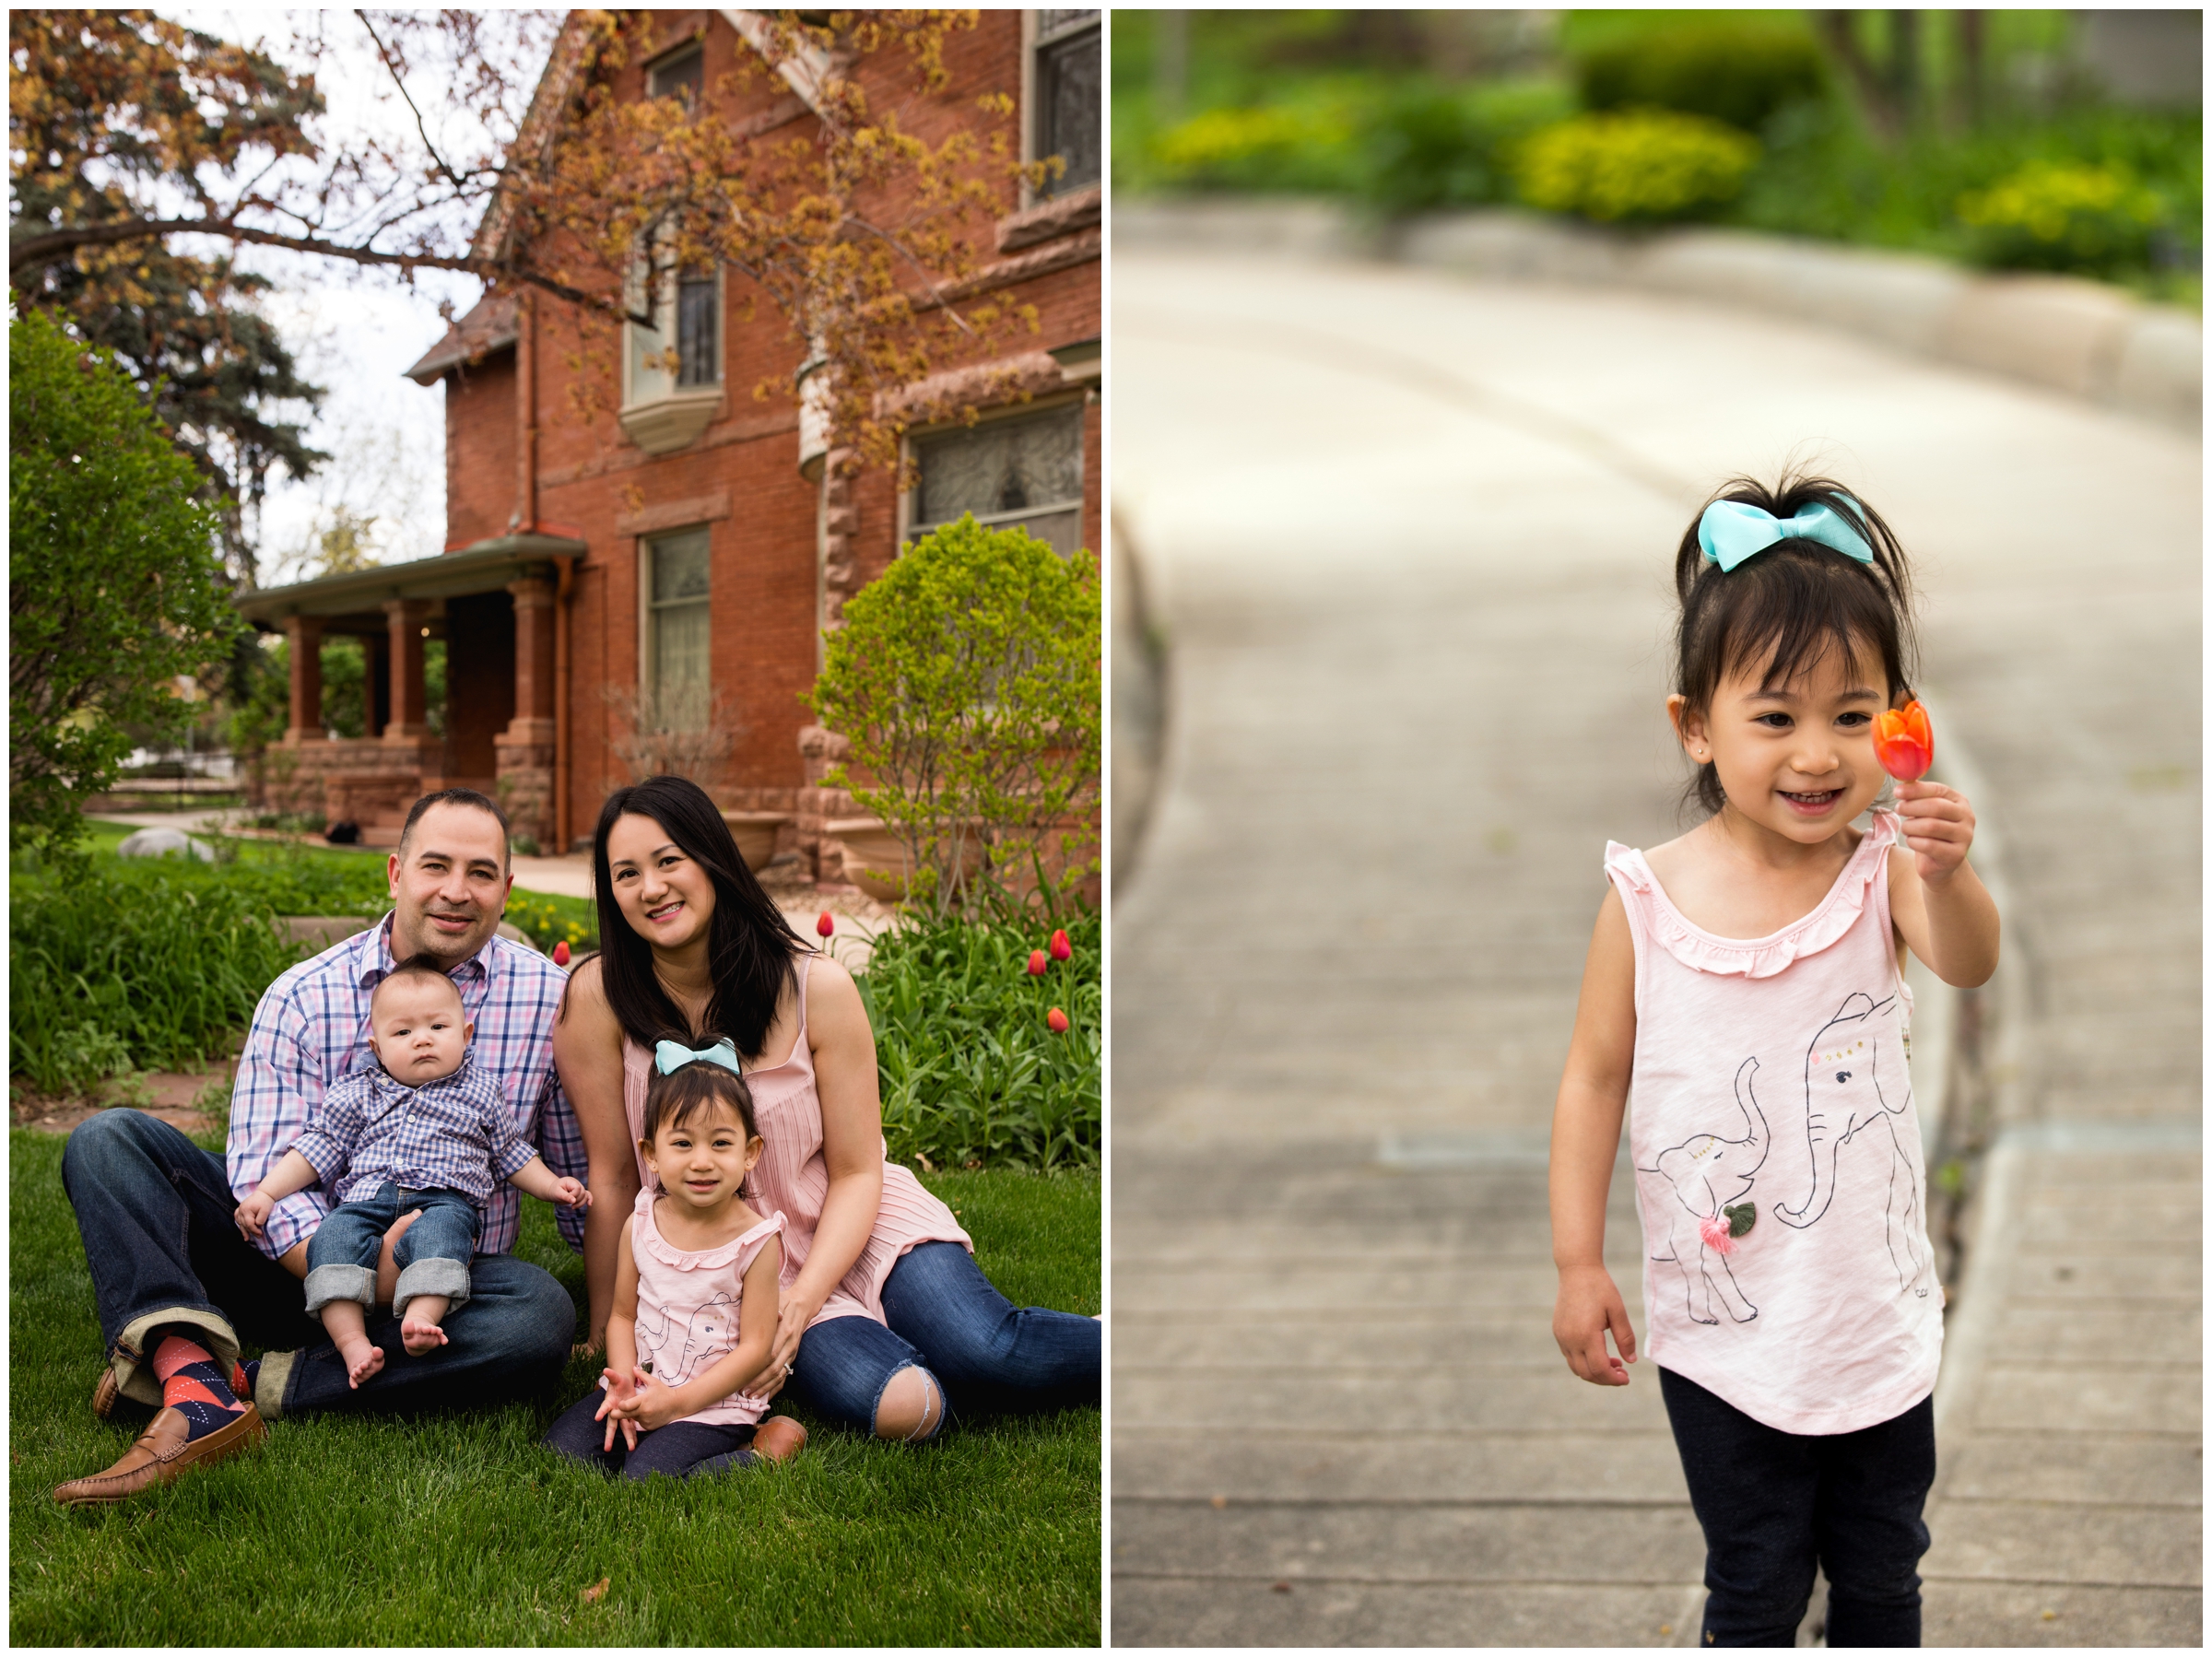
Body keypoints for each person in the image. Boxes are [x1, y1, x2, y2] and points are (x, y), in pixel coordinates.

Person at [1547, 475, 1999, 1647]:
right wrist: (1576, 1261)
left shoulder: (1883, 869)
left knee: (1882, 1574)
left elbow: (1968, 962)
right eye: (1776, 716)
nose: (1817, 754)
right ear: (1695, 724)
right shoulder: (1646, 900)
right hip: (1724, 1334)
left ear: (1899, 722)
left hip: (1873, 1316)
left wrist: (1950, 877)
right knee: (1753, 1579)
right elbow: (1595, 1078)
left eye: (1854, 716)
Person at [51, 789, 585, 1507]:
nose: (457, 892)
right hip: (287, 1261)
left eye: (482, 872)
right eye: (436, 866)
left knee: (537, 1314)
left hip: (436, 1283)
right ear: (396, 873)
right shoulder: (303, 994)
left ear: (508, 888)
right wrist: (358, 1266)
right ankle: (190, 1365)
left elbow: (576, 1173)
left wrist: (628, 1305)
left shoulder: (550, 1001)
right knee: (109, 1141)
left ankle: (237, 1379)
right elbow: (262, 1175)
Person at [555, 774, 1100, 1443]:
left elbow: (857, 1171)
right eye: (626, 873)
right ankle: (925, 1360)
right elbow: (612, 1177)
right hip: (743, 1270)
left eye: (670, 861)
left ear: (714, 860)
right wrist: (607, 1327)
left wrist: (804, 1300)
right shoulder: (597, 998)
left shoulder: (818, 988)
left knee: (987, 1351)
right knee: (909, 1411)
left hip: (858, 1223)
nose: (651, 888)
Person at [235, 957, 593, 1387]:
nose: (422, 1040)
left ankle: (421, 1318)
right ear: (378, 1048)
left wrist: (553, 1185)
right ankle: (351, 1342)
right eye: (403, 1032)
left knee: (443, 1235)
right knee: (331, 1240)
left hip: (443, 1198)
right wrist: (267, 1193)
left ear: (465, 1036)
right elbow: (318, 1147)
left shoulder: (479, 1091)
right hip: (366, 1199)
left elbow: (511, 1152)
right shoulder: (360, 1091)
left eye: (437, 1028)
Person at [543, 1041, 807, 1477]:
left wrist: (676, 1405)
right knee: (564, 1454)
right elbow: (623, 1315)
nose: (702, 1161)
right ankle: (645, 1426)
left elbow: (757, 1347)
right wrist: (624, 1385)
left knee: (649, 1478)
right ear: (652, 1155)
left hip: (710, 1403)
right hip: (642, 1383)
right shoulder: (641, 1222)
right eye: (682, 1143)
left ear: (750, 1152)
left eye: (721, 1143)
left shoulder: (757, 1242)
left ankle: (760, 1451)